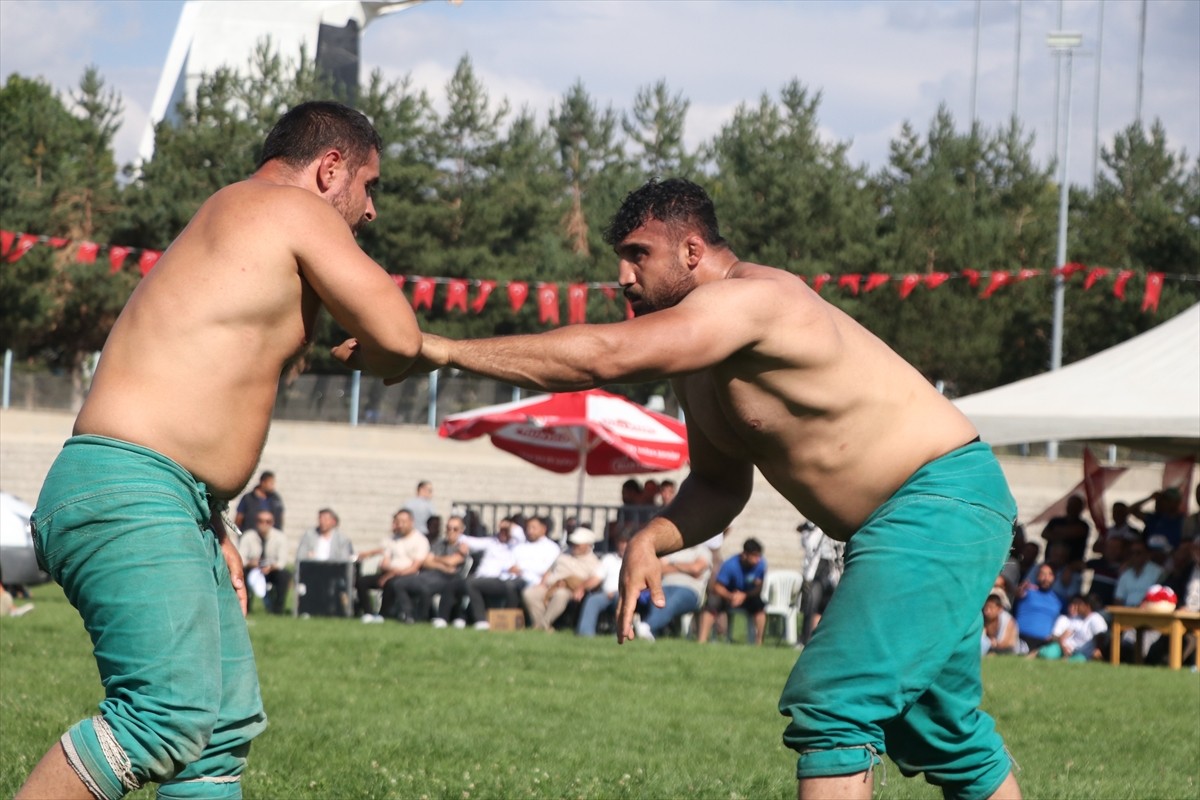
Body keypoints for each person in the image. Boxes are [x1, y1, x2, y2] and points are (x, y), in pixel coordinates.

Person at [368, 177, 1021, 800]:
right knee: (941, 731)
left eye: (637, 255)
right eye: (619, 258)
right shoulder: (700, 358)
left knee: (835, 702)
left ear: (692, 250)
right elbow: (718, 482)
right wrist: (652, 535)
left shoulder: (757, 301)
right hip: (918, 515)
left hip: (936, 499)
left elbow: (604, 357)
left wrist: (439, 349)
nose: (622, 275)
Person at [20, 100, 421, 800]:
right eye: (371, 186)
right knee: (163, 717)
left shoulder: (238, 214)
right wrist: (397, 350)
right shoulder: (290, 210)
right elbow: (400, 335)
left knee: (213, 737)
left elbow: (204, 381)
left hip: (174, 497)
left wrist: (215, 521)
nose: (371, 211)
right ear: (331, 169)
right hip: (130, 483)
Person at [522, 527, 603, 631]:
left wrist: (579, 587)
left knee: (561, 594)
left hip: (569, 589)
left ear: (588, 545)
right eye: (573, 543)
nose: (574, 546)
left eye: (578, 544)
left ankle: (544, 624)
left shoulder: (594, 562)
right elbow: (550, 570)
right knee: (529, 593)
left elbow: (594, 580)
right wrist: (542, 583)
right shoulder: (564, 554)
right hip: (550, 585)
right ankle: (541, 624)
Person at [356, 509, 429, 622]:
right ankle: (368, 613)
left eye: (403, 521)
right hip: (389, 573)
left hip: (408, 576)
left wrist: (393, 573)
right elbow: (384, 563)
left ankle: (383, 614)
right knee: (361, 581)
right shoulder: (392, 539)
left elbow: (415, 567)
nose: (400, 525)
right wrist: (389, 572)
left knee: (391, 583)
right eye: (398, 521)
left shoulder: (420, 540)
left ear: (411, 522)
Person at [633, 540, 711, 642]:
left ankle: (647, 626)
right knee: (658, 600)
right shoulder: (674, 549)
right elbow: (659, 568)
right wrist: (687, 568)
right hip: (665, 586)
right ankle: (648, 630)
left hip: (690, 590)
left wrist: (673, 564)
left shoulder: (703, 551)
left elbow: (696, 569)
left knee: (672, 602)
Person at [398, 514, 469, 623]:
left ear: (461, 531)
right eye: (448, 528)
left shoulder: (463, 545)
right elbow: (426, 561)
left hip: (450, 578)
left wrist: (435, 559)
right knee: (400, 583)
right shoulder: (439, 543)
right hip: (432, 574)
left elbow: (452, 562)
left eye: (455, 529)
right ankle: (409, 615)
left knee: (425, 588)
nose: (451, 531)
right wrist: (442, 565)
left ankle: (422, 618)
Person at [697, 538, 767, 645]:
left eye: (758, 556)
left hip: (747, 595)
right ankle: (701, 640)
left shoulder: (761, 565)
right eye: (754, 556)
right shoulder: (730, 565)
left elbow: (759, 587)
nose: (757, 559)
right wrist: (731, 596)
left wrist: (745, 595)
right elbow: (718, 587)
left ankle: (759, 642)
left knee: (760, 607)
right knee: (712, 603)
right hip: (728, 595)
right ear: (745, 554)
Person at [237, 511, 292, 615]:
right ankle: (246, 607)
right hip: (252, 568)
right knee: (241, 573)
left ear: (272, 523)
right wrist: (251, 563)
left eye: (268, 521)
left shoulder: (280, 537)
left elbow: (282, 562)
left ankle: (278, 609)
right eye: (261, 521)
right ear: (256, 522)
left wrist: (271, 567)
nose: (264, 524)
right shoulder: (248, 536)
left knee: (284, 575)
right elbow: (241, 558)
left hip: (272, 570)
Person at [577, 534, 628, 637]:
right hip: (605, 595)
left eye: (626, 543)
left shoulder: (636, 561)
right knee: (592, 600)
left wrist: (618, 592)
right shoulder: (608, 559)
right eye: (621, 542)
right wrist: (581, 588)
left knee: (621, 600)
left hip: (624, 594)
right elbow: (596, 578)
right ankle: (585, 634)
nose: (623, 546)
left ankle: (620, 634)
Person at [1037, 595, 1107, 662]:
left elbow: (1101, 635)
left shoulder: (1096, 618)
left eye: (1080, 604)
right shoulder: (1077, 618)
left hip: (1082, 654)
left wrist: (1097, 650)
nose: (1077, 606)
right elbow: (1063, 636)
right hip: (1065, 648)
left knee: (1078, 661)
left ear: (1087, 606)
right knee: (1048, 654)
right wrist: (1063, 646)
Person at [1014, 563, 1063, 653]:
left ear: (1054, 578)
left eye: (1050, 574)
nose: (1046, 578)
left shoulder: (1058, 600)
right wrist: (1020, 589)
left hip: (1043, 644)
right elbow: (1017, 594)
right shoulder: (1027, 591)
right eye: (1042, 574)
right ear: (1037, 576)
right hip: (1021, 638)